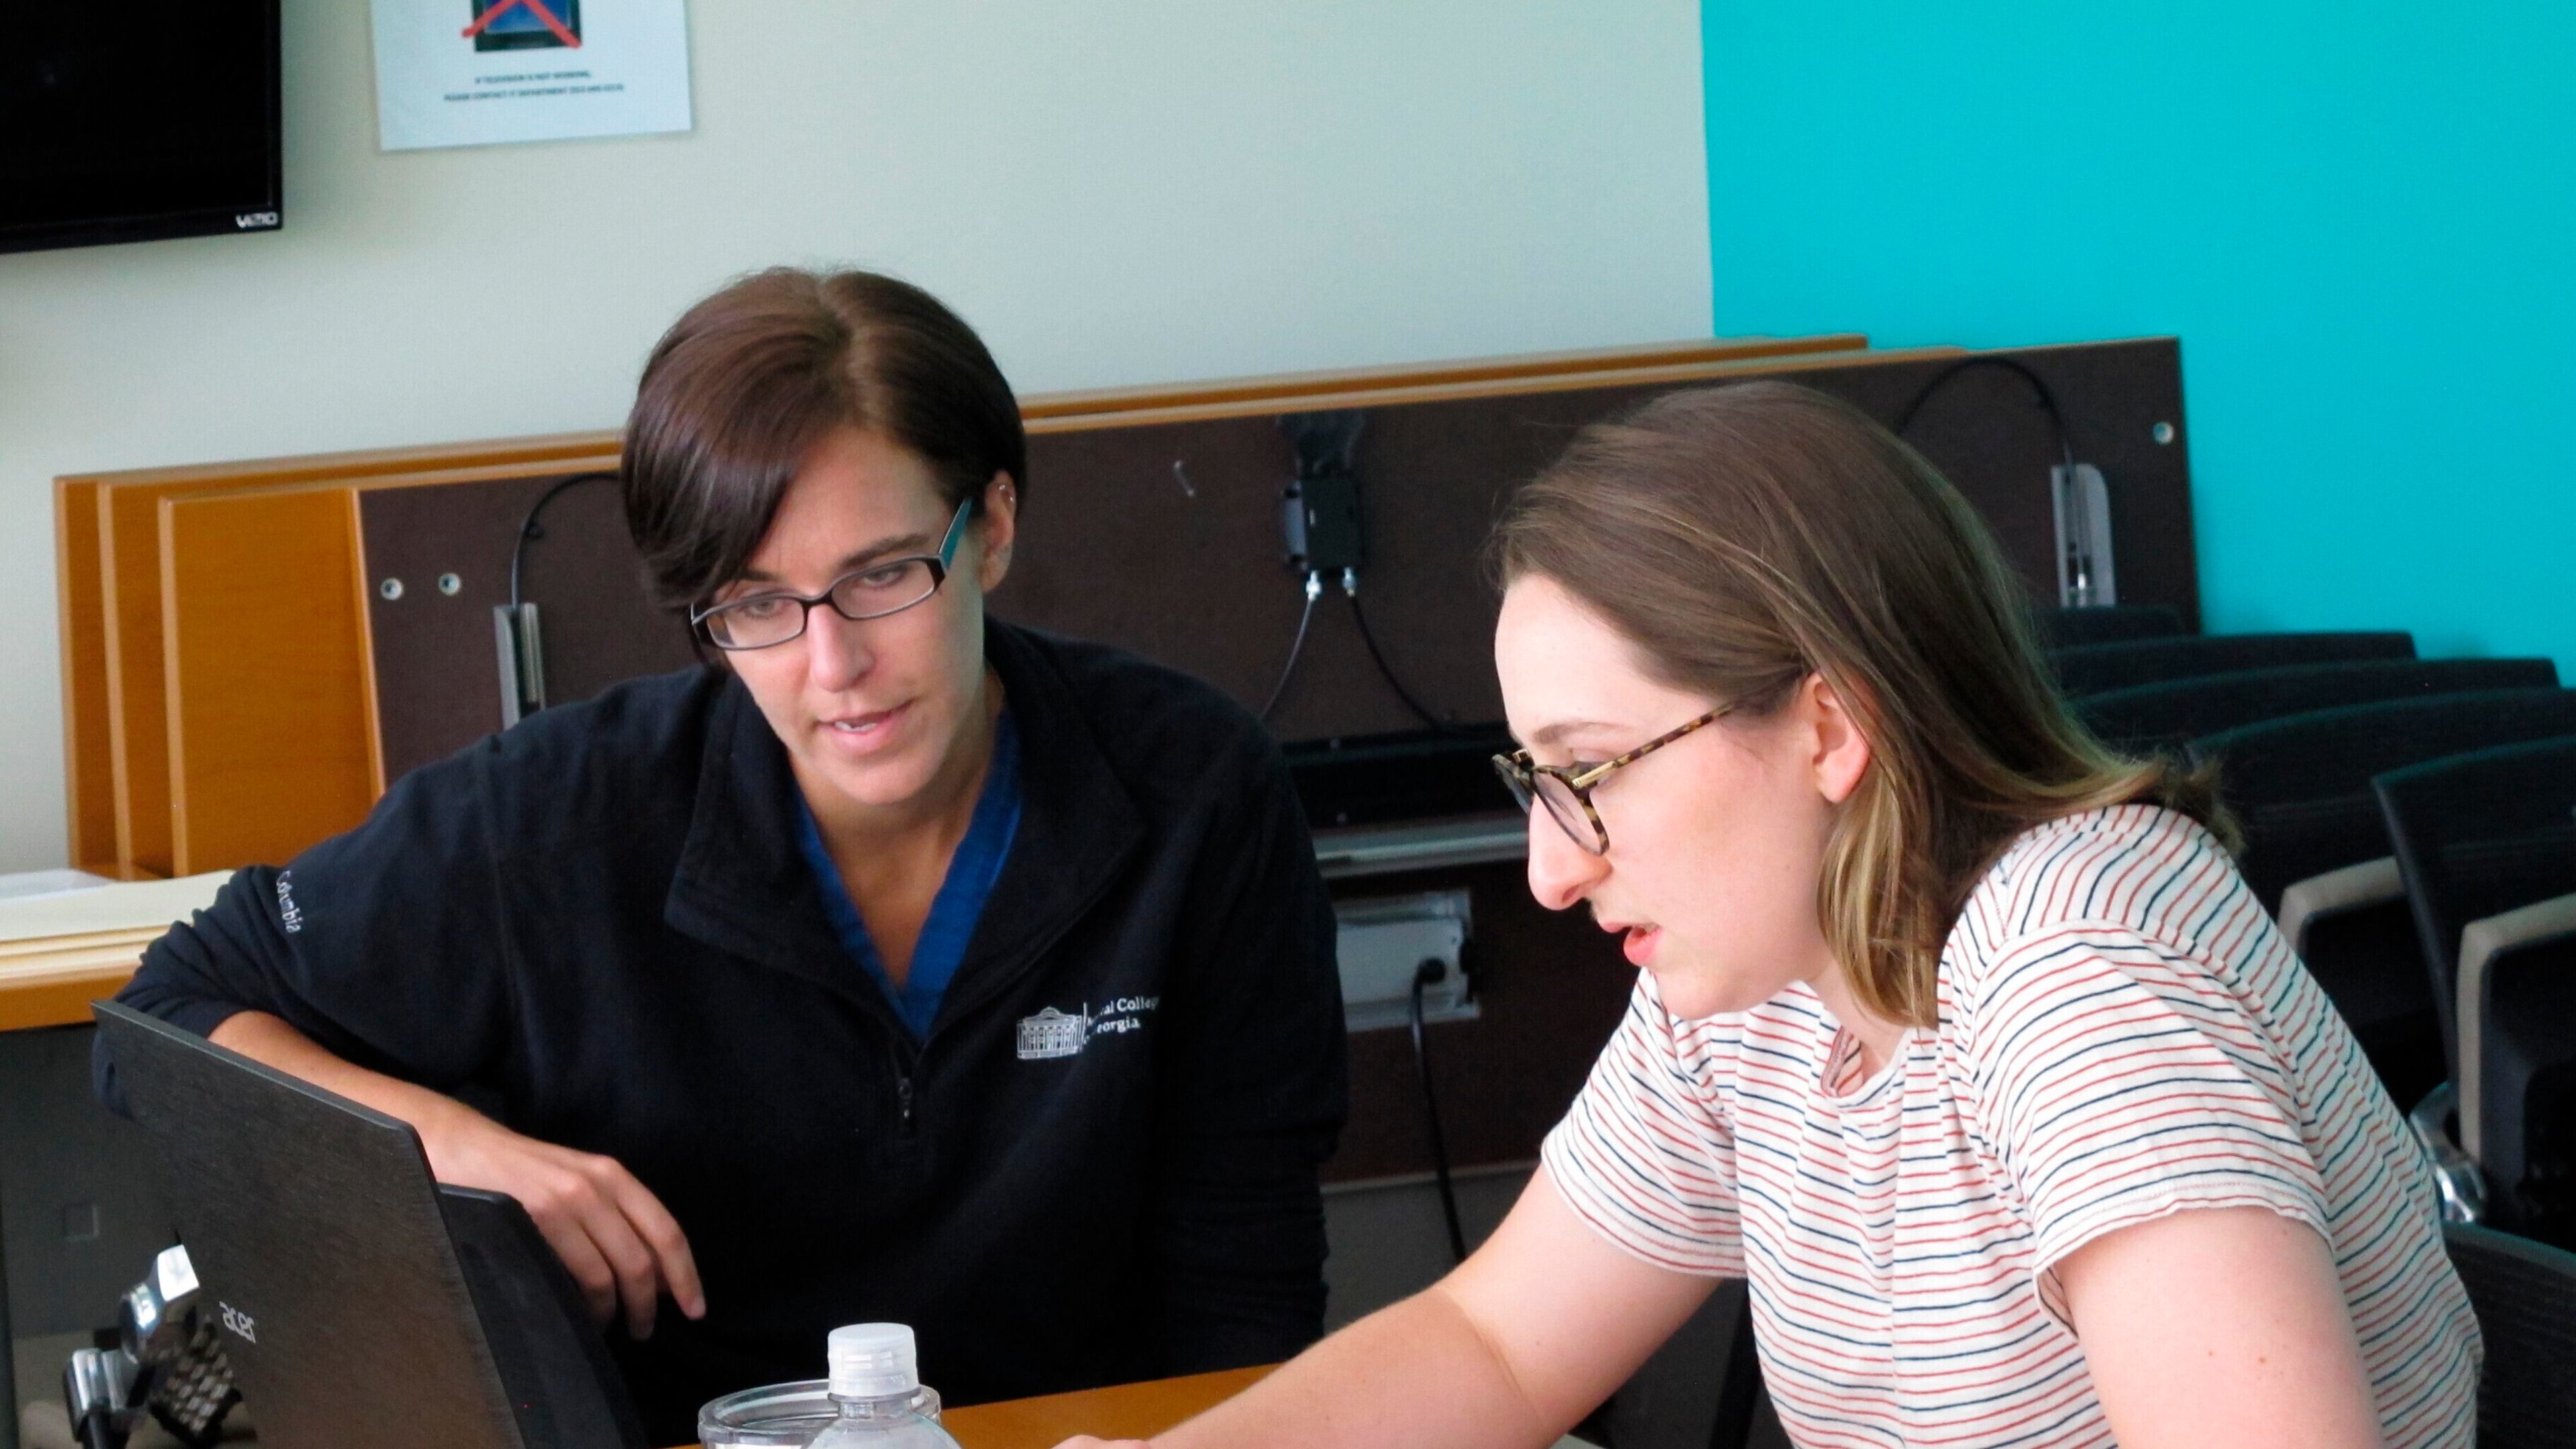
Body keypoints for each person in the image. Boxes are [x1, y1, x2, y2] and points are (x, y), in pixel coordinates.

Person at [1059, 380, 2479, 1449]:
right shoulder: (1761, 990)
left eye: (1589, 772)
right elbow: (1490, 1347)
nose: (1551, 872)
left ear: (1829, 728)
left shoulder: (2082, 959)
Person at [100, 268, 1348, 1444]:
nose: (832, 666)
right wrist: (446, 1151)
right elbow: (165, 1017)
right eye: (757, 606)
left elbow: (1246, 1294)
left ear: (995, 528)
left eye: (884, 577)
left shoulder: (1193, 791)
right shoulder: (561, 815)